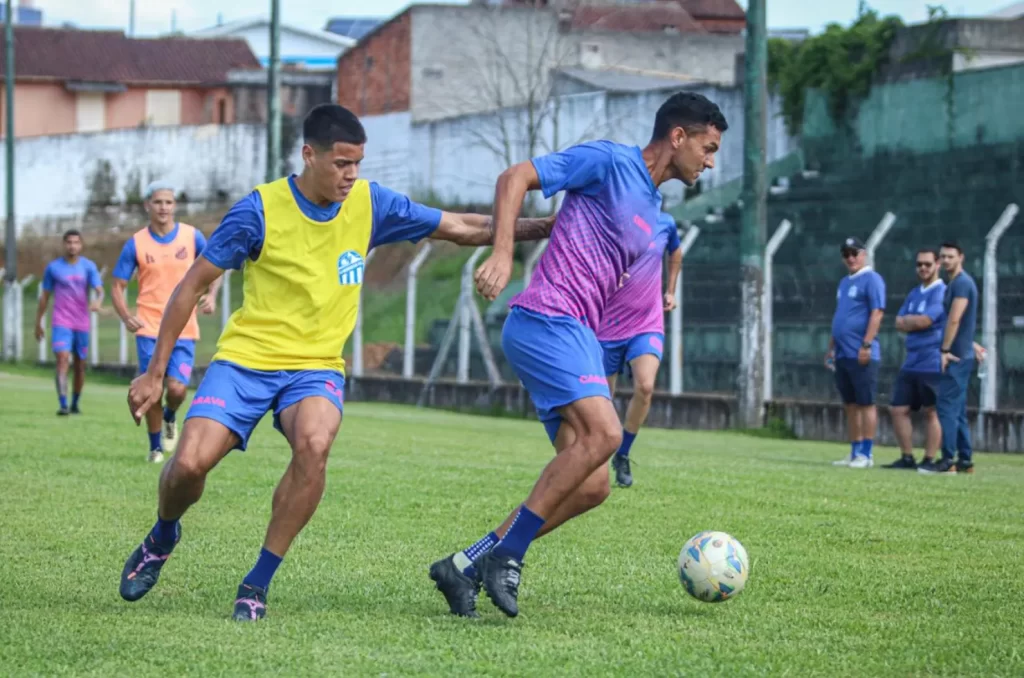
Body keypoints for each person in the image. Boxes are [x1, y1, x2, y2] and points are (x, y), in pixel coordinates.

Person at [118, 103, 554, 622]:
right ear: (309, 155)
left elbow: (460, 225)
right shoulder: (259, 209)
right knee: (188, 464)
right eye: (342, 163)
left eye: (358, 164)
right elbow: (192, 284)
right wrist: (154, 371)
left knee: (315, 444)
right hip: (245, 360)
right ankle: (163, 535)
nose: (352, 175)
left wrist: (547, 226)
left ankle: (256, 583)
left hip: (316, 366)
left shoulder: (372, 205)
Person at [429, 92, 727, 619]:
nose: (711, 160)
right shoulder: (611, 161)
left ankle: (465, 564)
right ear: (677, 136)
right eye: (708, 147)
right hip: (545, 318)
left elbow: (597, 258)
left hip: (577, 336)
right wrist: (502, 252)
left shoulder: (655, 210)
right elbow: (513, 177)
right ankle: (510, 554)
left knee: (592, 485)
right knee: (608, 434)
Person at [111, 181, 222, 464]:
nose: (163, 207)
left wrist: (211, 294)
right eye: (158, 202)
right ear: (148, 205)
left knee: (177, 389)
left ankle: (171, 416)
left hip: (185, 326)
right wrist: (126, 316)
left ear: (175, 206)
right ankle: (155, 447)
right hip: (149, 326)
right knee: (153, 388)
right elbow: (117, 285)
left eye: (169, 202)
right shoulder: (136, 243)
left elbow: (216, 265)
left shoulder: (191, 236)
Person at [599, 212, 682, 488]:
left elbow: (676, 252)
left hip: (647, 323)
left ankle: (622, 453)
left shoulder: (665, 223)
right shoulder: (612, 218)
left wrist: (670, 290)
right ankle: (595, 456)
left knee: (645, 386)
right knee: (601, 400)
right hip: (606, 324)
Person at [919, 241, 979, 475]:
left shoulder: (962, 284)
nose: (945, 261)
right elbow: (961, 323)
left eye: (950, 257)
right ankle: (965, 460)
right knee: (958, 409)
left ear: (961, 258)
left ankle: (947, 460)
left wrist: (944, 351)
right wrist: (972, 344)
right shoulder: (955, 284)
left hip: (954, 357)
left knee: (945, 407)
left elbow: (954, 319)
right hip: (961, 353)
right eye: (942, 257)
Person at [883, 248, 945, 470]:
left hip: (932, 360)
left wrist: (913, 322)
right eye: (919, 264)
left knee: (932, 411)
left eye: (928, 264)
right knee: (898, 409)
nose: (923, 268)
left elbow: (926, 321)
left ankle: (929, 459)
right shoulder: (914, 293)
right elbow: (898, 321)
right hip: (911, 361)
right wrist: (913, 321)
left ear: (937, 264)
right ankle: (907, 457)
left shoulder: (941, 292)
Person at [828, 237, 886, 469]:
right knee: (850, 404)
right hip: (843, 353)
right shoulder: (844, 283)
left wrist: (866, 345)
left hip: (861, 352)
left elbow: (877, 313)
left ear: (864, 254)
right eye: (846, 254)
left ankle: (867, 453)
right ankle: (854, 451)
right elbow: (840, 316)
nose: (851, 258)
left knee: (866, 403)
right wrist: (831, 346)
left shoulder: (872, 279)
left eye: (855, 253)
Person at [33, 229, 104, 415]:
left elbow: (99, 289)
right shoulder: (53, 268)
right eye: (69, 242)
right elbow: (45, 297)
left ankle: (75, 402)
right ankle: (63, 403)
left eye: (76, 242)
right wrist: (38, 322)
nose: (72, 246)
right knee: (62, 360)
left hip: (81, 323)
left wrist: (98, 301)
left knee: (80, 365)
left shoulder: (88, 267)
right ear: (64, 244)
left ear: (81, 245)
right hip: (61, 322)